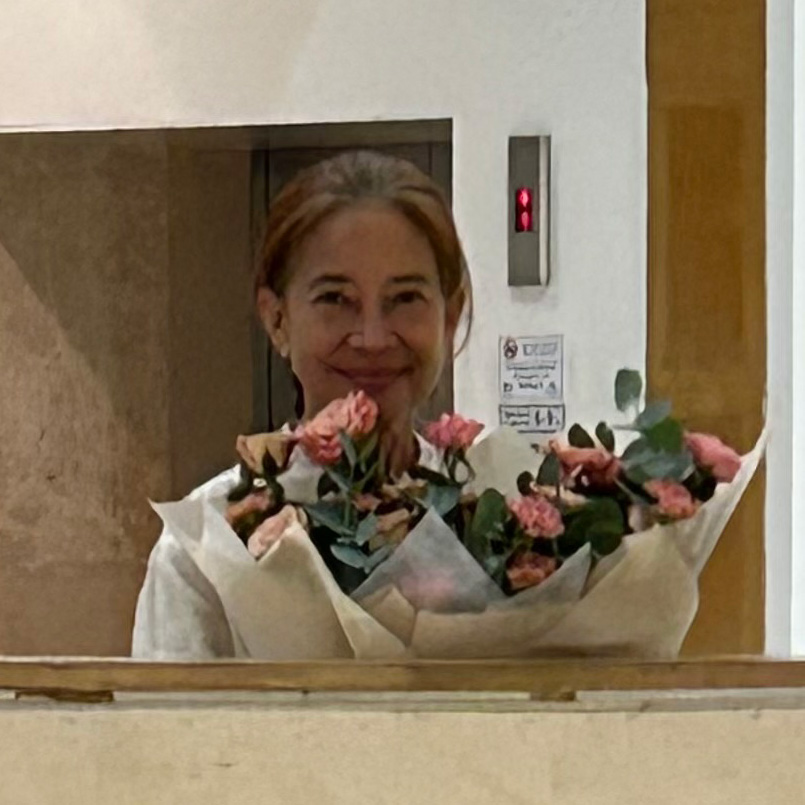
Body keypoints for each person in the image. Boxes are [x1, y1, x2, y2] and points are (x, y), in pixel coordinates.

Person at [131, 150, 472, 659]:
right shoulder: (206, 547)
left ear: (450, 315)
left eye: (405, 298)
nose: (374, 337)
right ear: (277, 320)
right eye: (335, 299)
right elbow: (172, 736)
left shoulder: (515, 527)